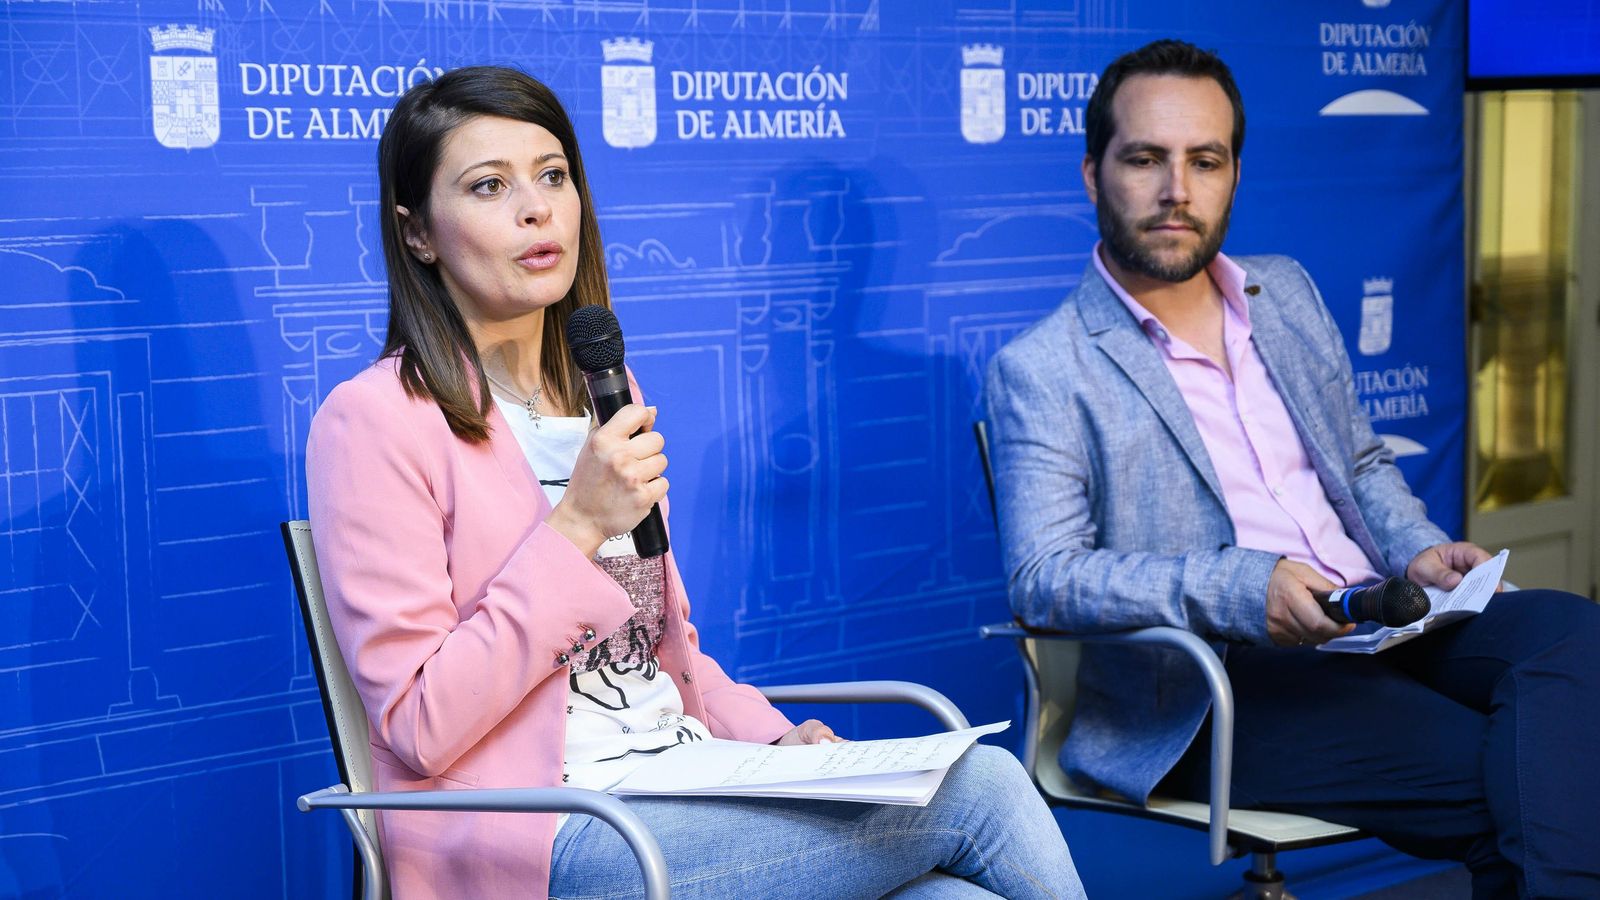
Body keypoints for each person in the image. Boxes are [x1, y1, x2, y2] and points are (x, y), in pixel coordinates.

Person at [306, 65, 1083, 900]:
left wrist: (774, 738)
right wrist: (574, 529)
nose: (536, 209)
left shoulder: (606, 391)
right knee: (987, 787)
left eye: (553, 176)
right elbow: (422, 724)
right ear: (417, 231)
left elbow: (659, 655)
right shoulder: (375, 420)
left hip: (686, 778)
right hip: (545, 831)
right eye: (489, 186)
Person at [984, 39, 1599, 899]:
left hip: (1385, 618)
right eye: (1145, 159)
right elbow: (1045, 580)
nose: (1176, 190)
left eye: (1205, 160)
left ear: (1235, 173)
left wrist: (1416, 552)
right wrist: (1242, 589)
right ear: (1094, 174)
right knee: (1521, 782)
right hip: (1219, 684)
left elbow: (1360, 462)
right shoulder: (1046, 367)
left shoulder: (1286, 292)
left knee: (1572, 631)